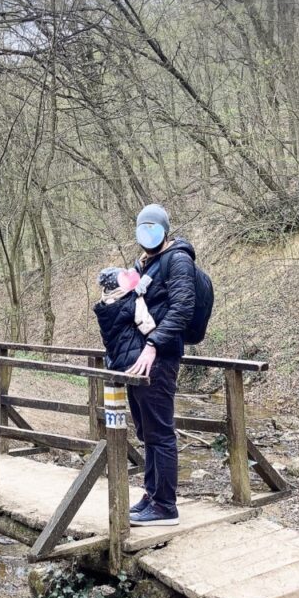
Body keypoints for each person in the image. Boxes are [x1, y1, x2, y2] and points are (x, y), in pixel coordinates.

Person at [125, 204, 196, 528]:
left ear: (164, 230)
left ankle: (165, 506)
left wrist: (154, 345)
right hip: (140, 357)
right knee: (147, 431)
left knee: (161, 432)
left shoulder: (178, 259)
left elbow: (182, 308)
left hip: (160, 356)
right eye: (143, 227)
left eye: (153, 227)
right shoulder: (144, 263)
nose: (148, 232)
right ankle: (151, 495)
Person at [93, 268, 156, 371]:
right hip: (134, 360)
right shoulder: (132, 302)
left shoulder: (102, 306)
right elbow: (147, 326)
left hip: (113, 359)